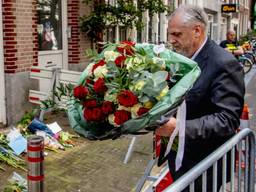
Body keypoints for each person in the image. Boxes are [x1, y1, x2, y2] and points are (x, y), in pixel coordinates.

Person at [156, 5, 245, 192]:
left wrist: (179, 128)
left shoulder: (224, 63)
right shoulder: (181, 59)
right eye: (170, 34)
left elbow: (227, 120)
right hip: (180, 157)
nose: (171, 40)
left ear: (197, 31)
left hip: (206, 164)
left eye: (177, 34)